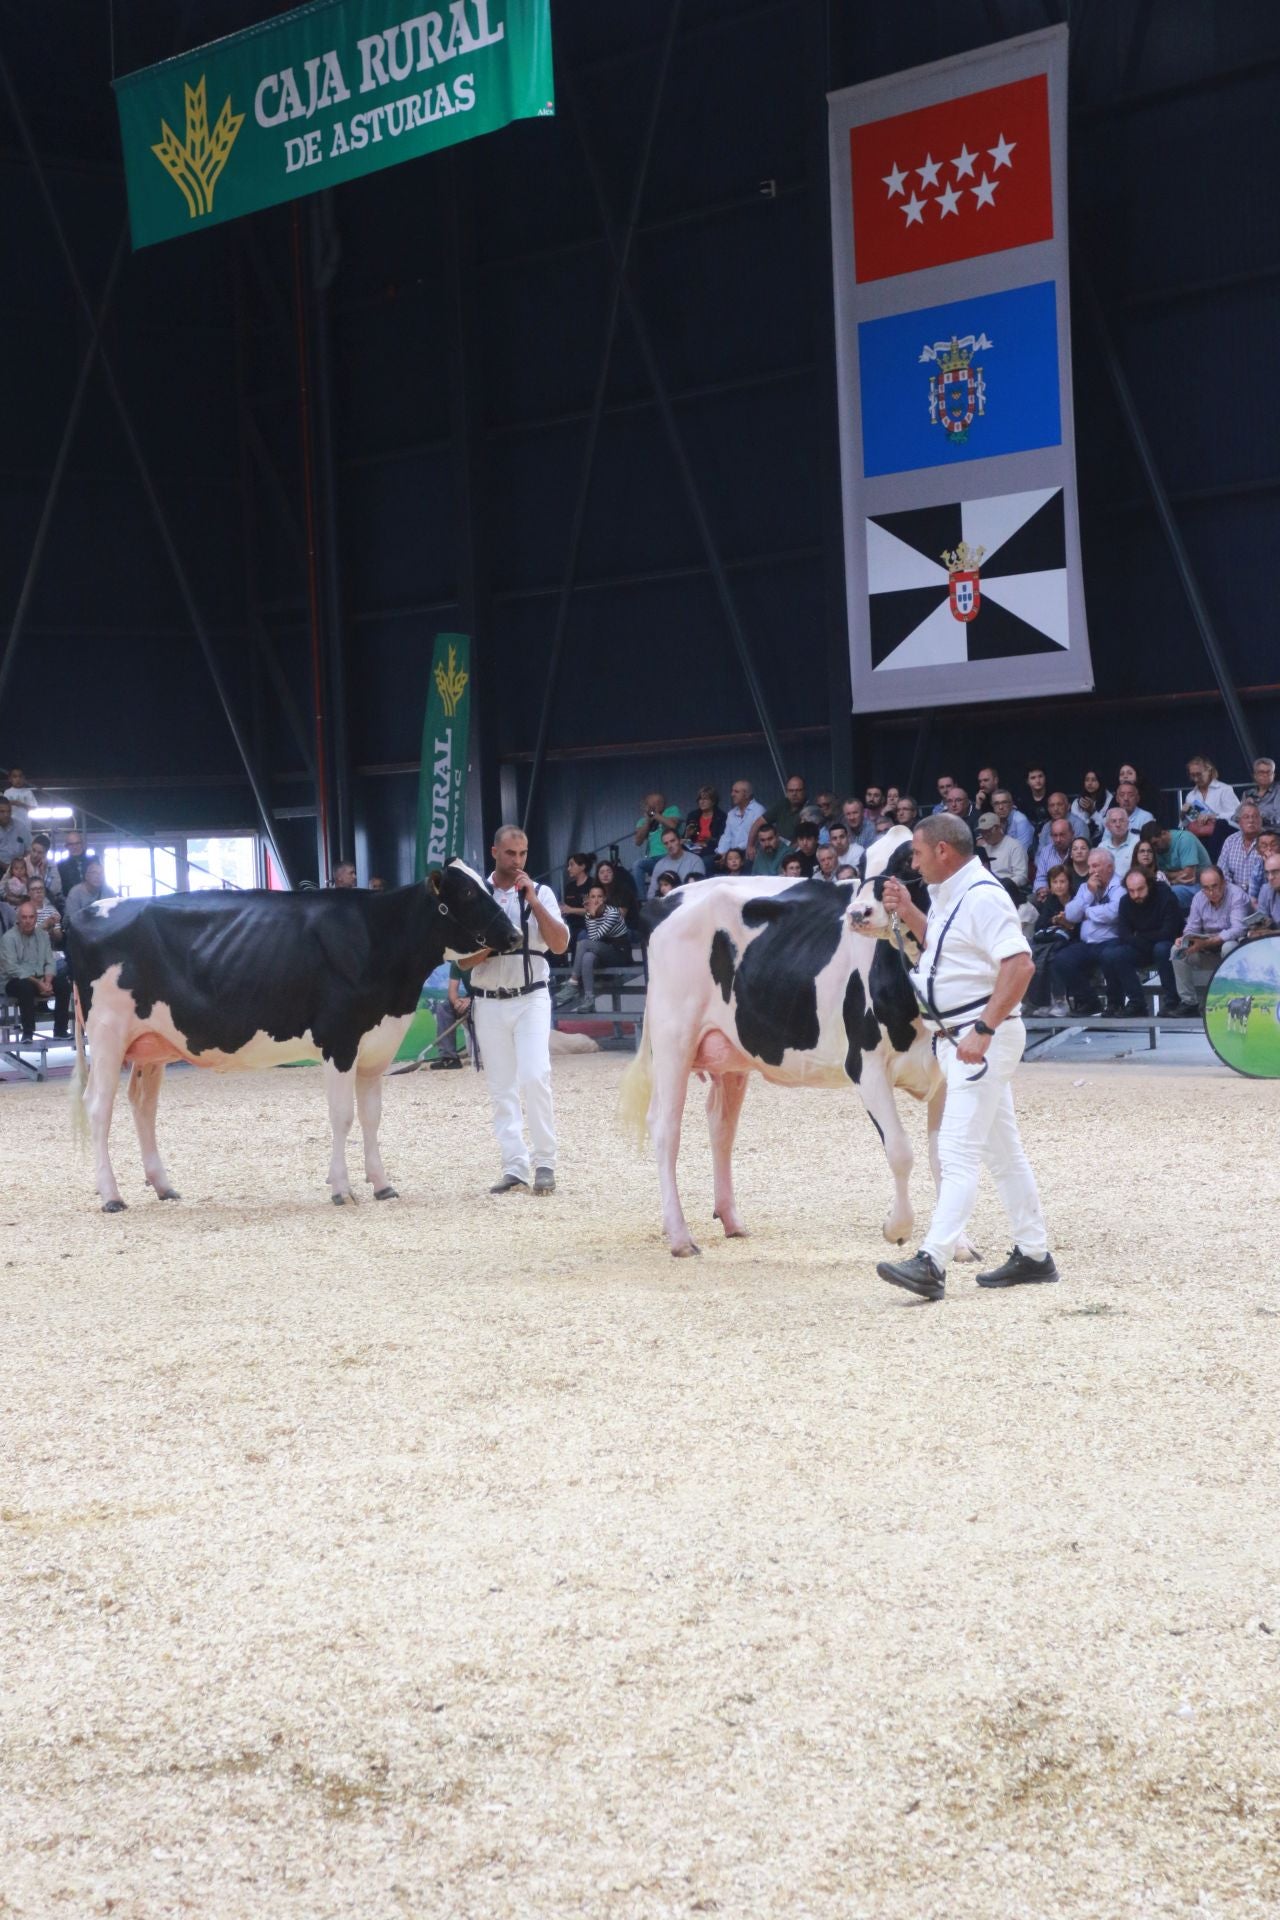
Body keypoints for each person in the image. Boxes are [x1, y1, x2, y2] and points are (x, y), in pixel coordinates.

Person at [876, 813, 1056, 1300]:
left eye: (917, 853)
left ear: (943, 851)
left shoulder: (983, 896)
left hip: (976, 1041)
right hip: (959, 1039)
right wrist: (909, 910)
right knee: (1003, 1153)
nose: (914, 863)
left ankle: (931, 1261)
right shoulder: (951, 894)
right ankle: (1034, 1254)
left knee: (956, 1153)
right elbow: (945, 949)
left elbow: (1020, 965)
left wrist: (984, 1029)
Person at [464, 825, 569, 1195]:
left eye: (523, 854)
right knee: (501, 1087)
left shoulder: (541, 892)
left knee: (536, 1075)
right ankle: (514, 1167)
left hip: (531, 997)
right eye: (510, 853)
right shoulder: (477, 895)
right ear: (495, 852)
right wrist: (497, 941)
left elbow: (559, 945)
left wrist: (534, 903)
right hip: (488, 1000)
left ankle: (545, 1162)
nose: (518, 861)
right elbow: (463, 961)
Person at [1099, 867, 1186, 1015]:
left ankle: (1172, 1002)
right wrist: (1143, 939)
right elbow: (1124, 934)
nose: (1136, 895)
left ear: (1149, 884)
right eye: (1131, 891)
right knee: (1112, 954)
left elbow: (1169, 932)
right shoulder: (1125, 901)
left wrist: (1139, 936)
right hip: (1143, 946)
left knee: (1162, 949)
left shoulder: (1166, 896)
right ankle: (1136, 1003)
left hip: (1169, 945)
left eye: (1140, 889)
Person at [1049, 849, 1123, 1014]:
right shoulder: (1086, 887)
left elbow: (1113, 912)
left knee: (1110, 956)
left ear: (1109, 867)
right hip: (1088, 943)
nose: (1091, 871)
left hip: (1111, 941)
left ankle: (1115, 1004)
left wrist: (1086, 912)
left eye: (1095, 866)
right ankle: (1090, 1001)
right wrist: (1089, 893)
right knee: (1062, 959)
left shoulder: (1120, 885)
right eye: (1090, 867)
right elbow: (1071, 914)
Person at [1169, 866, 1248, 1012]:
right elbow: (1192, 927)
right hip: (1206, 950)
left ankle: (1229, 999)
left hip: (1231, 950)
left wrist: (1209, 941)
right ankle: (1189, 1002)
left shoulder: (1236, 895)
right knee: (1177, 950)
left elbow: (1239, 929)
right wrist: (1186, 938)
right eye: (1206, 888)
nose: (1211, 892)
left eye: (1215, 886)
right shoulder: (1199, 898)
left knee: (1229, 947)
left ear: (1223, 883)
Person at [1, 898, 71, 1040]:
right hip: (14, 980)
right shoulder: (8, 938)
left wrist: (48, 982)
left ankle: (60, 1030)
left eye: (31, 917)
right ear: (18, 919)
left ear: (36, 918)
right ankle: (28, 1033)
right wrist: (39, 983)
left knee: (63, 984)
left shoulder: (43, 935)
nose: (28, 921)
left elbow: (50, 962)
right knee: (25, 986)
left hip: (39, 977)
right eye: (24, 917)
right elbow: (13, 968)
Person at [558, 882, 631, 1010]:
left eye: (599, 896)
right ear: (589, 899)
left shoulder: (612, 913)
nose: (596, 900)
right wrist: (591, 915)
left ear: (605, 898)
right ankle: (589, 999)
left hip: (619, 952)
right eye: (593, 897)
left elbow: (593, 938)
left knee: (584, 943)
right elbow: (593, 940)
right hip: (602, 950)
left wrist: (592, 916)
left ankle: (573, 982)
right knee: (588, 957)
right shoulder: (589, 914)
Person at [1026, 865, 1077, 1009]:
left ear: (1069, 883)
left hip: (1074, 940)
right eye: (1055, 882)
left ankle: (1059, 1000)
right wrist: (1055, 920)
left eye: (1062, 881)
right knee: (1032, 953)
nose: (1059, 886)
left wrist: (1067, 923)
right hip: (1053, 939)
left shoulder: (1077, 899)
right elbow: (1039, 925)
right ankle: (1036, 1001)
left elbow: (1080, 928)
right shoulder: (1051, 900)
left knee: (1055, 957)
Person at [1141, 819, 1209, 905]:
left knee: (1166, 894)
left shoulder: (1184, 839)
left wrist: (1168, 878)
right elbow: (1155, 875)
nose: (1154, 849)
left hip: (1201, 885)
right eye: (1151, 847)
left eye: (1155, 844)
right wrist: (1171, 879)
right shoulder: (1157, 849)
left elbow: (1189, 877)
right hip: (1175, 884)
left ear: (1164, 833)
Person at [632, 791, 682, 896]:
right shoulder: (642, 821)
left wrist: (654, 814)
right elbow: (638, 841)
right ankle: (641, 899)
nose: (657, 804)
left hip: (669, 855)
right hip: (653, 859)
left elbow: (672, 825)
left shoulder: (671, 810)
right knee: (637, 865)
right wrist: (647, 821)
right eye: (653, 803)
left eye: (659, 802)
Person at [1180, 755, 1239, 838]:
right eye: (1192, 775)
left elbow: (1236, 814)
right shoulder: (1191, 796)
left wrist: (1213, 816)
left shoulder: (1224, 789)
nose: (1196, 779)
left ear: (1209, 771)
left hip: (1225, 834)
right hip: (1201, 835)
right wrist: (1183, 814)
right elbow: (1190, 822)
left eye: (1199, 774)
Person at [1217, 802, 1265, 902]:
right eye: (1246, 817)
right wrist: (1236, 893)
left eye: (1255, 816)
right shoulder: (1231, 840)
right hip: (1232, 897)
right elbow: (1222, 871)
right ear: (1239, 822)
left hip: (1261, 897)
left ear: (1261, 820)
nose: (1251, 820)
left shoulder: (1269, 841)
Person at [750, 775, 808, 856]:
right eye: (791, 790)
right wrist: (750, 846)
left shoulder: (809, 809)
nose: (794, 793)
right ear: (786, 792)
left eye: (798, 790)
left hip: (796, 854)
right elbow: (758, 823)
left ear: (804, 791)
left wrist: (786, 854)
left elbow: (804, 840)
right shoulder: (782, 804)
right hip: (776, 850)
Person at [428, 963, 470, 1070]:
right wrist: (456, 1002)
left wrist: (472, 999)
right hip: (469, 999)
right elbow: (452, 990)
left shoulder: (484, 958)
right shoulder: (457, 962)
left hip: (486, 999)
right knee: (444, 1007)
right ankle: (449, 1058)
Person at [647, 823, 705, 897]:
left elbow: (700, 890)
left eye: (672, 841)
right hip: (665, 902)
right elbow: (651, 894)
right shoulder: (659, 865)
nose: (670, 846)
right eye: (666, 843)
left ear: (680, 841)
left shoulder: (695, 861)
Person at [63, 857, 116, 932]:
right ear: (86, 876)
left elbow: (114, 915)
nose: (98, 876)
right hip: (78, 931)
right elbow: (72, 921)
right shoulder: (75, 893)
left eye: (101, 873)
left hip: (103, 931)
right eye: (94, 872)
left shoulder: (109, 891)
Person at [716, 779, 764, 861]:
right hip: (730, 856)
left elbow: (755, 838)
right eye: (732, 791)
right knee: (708, 862)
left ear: (746, 795)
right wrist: (720, 854)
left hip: (749, 856)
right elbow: (726, 837)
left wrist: (730, 853)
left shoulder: (758, 811)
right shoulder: (731, 813)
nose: (732, 794)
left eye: (736, 792)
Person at [1032, 818, 1075, 899]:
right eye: (1055, 835)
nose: (1058, 840)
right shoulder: (1046, 851)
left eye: (1062, 835)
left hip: (1073, 896)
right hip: (1049, 894)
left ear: (1072, 834)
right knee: (1029, 901)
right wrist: (1042, 890)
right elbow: (1040, 878)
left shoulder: (1078, 850)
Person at [682, 785, 725, 862]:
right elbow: (686, 840)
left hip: (711, 850)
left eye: (705, 799)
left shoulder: (721, 816)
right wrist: (687, 835)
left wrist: (705, 843)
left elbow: (722, 839)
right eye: (700, 799)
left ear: (713, 801)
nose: (702, 802)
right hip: (693, 850)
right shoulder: (692, 815)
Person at [1245, 851, 1280, 937]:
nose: (1270, 877)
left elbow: (1269, 932)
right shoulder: (1266, 890)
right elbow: (1264, 919)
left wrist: (1271, 933)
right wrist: (1259, 928)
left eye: (1275, 872)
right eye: (1267, 873)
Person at [1098, 806, 1139, 879]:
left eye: (1122, 821)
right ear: (1107, 826)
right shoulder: (1102, 847)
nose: (1118, 825)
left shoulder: (1138, 842)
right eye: (1114, 821)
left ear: (1128, 823)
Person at [1241, 756, 1279, 828]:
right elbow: (1236, 816)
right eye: (1261, 772)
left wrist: (1255, 811)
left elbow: (1278, 818)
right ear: (1255, 775)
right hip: (1250, 830)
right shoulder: (1247, 793)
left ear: (1273, 775)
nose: (1265, 775)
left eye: (1268, 772)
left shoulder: (1278, 791)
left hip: (1272, 831)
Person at [3, 767, 36, 840]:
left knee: (25, 842)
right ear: (10, 779)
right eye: (15, 777)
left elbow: (34, 808)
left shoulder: (28, 792)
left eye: (20, 776)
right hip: (11, 824)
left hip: (26, 823)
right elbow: (3, 807)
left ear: (24, 778)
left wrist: (22, 804)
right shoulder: (7, 792)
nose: (18, 779)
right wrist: (11, 803)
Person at [57, 828, 91, 896]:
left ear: (82, 844)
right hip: (70, 900)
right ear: (66, 846)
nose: (75, 847)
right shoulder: (61, 866)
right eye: (71, 844)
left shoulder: (93, 861)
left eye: (77, 843)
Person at [0, 796, 30, 867]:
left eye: (9, 811)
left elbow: (29, 849)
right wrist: (7, 868)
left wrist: (22, 865)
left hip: (20, 867)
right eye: (2, 812)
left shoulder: (21, 826)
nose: (6, 815)